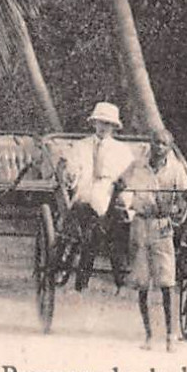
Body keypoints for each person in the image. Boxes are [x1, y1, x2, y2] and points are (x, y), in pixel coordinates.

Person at [117, 130, 187, 351]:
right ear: (149, 144)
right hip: (140, 225)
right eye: (155, 143)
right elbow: (121, 184)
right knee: (143, 283)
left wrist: (178, 208)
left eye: (163, 144)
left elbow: (185, 196)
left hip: (162, 227)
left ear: (169, 147)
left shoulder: (176, 170)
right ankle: (149, 335)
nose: (158, 147)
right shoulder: (138, 166)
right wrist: (123, 200)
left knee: (167, 282)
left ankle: (170, 335)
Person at [59, 102, 135, 286]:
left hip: (109, 194)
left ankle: (92, 274)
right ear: (94, 123)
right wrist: (70, 176)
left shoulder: (122, 151)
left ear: (114, 127)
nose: (103, 127)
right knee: (87, 216)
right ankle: (79, 269)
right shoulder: (80, 146)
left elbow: (129, 178)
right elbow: (71, 171)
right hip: (85, 192)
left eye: (107, 124)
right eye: (100, 122)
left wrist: (122, 195)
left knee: (104, 224)